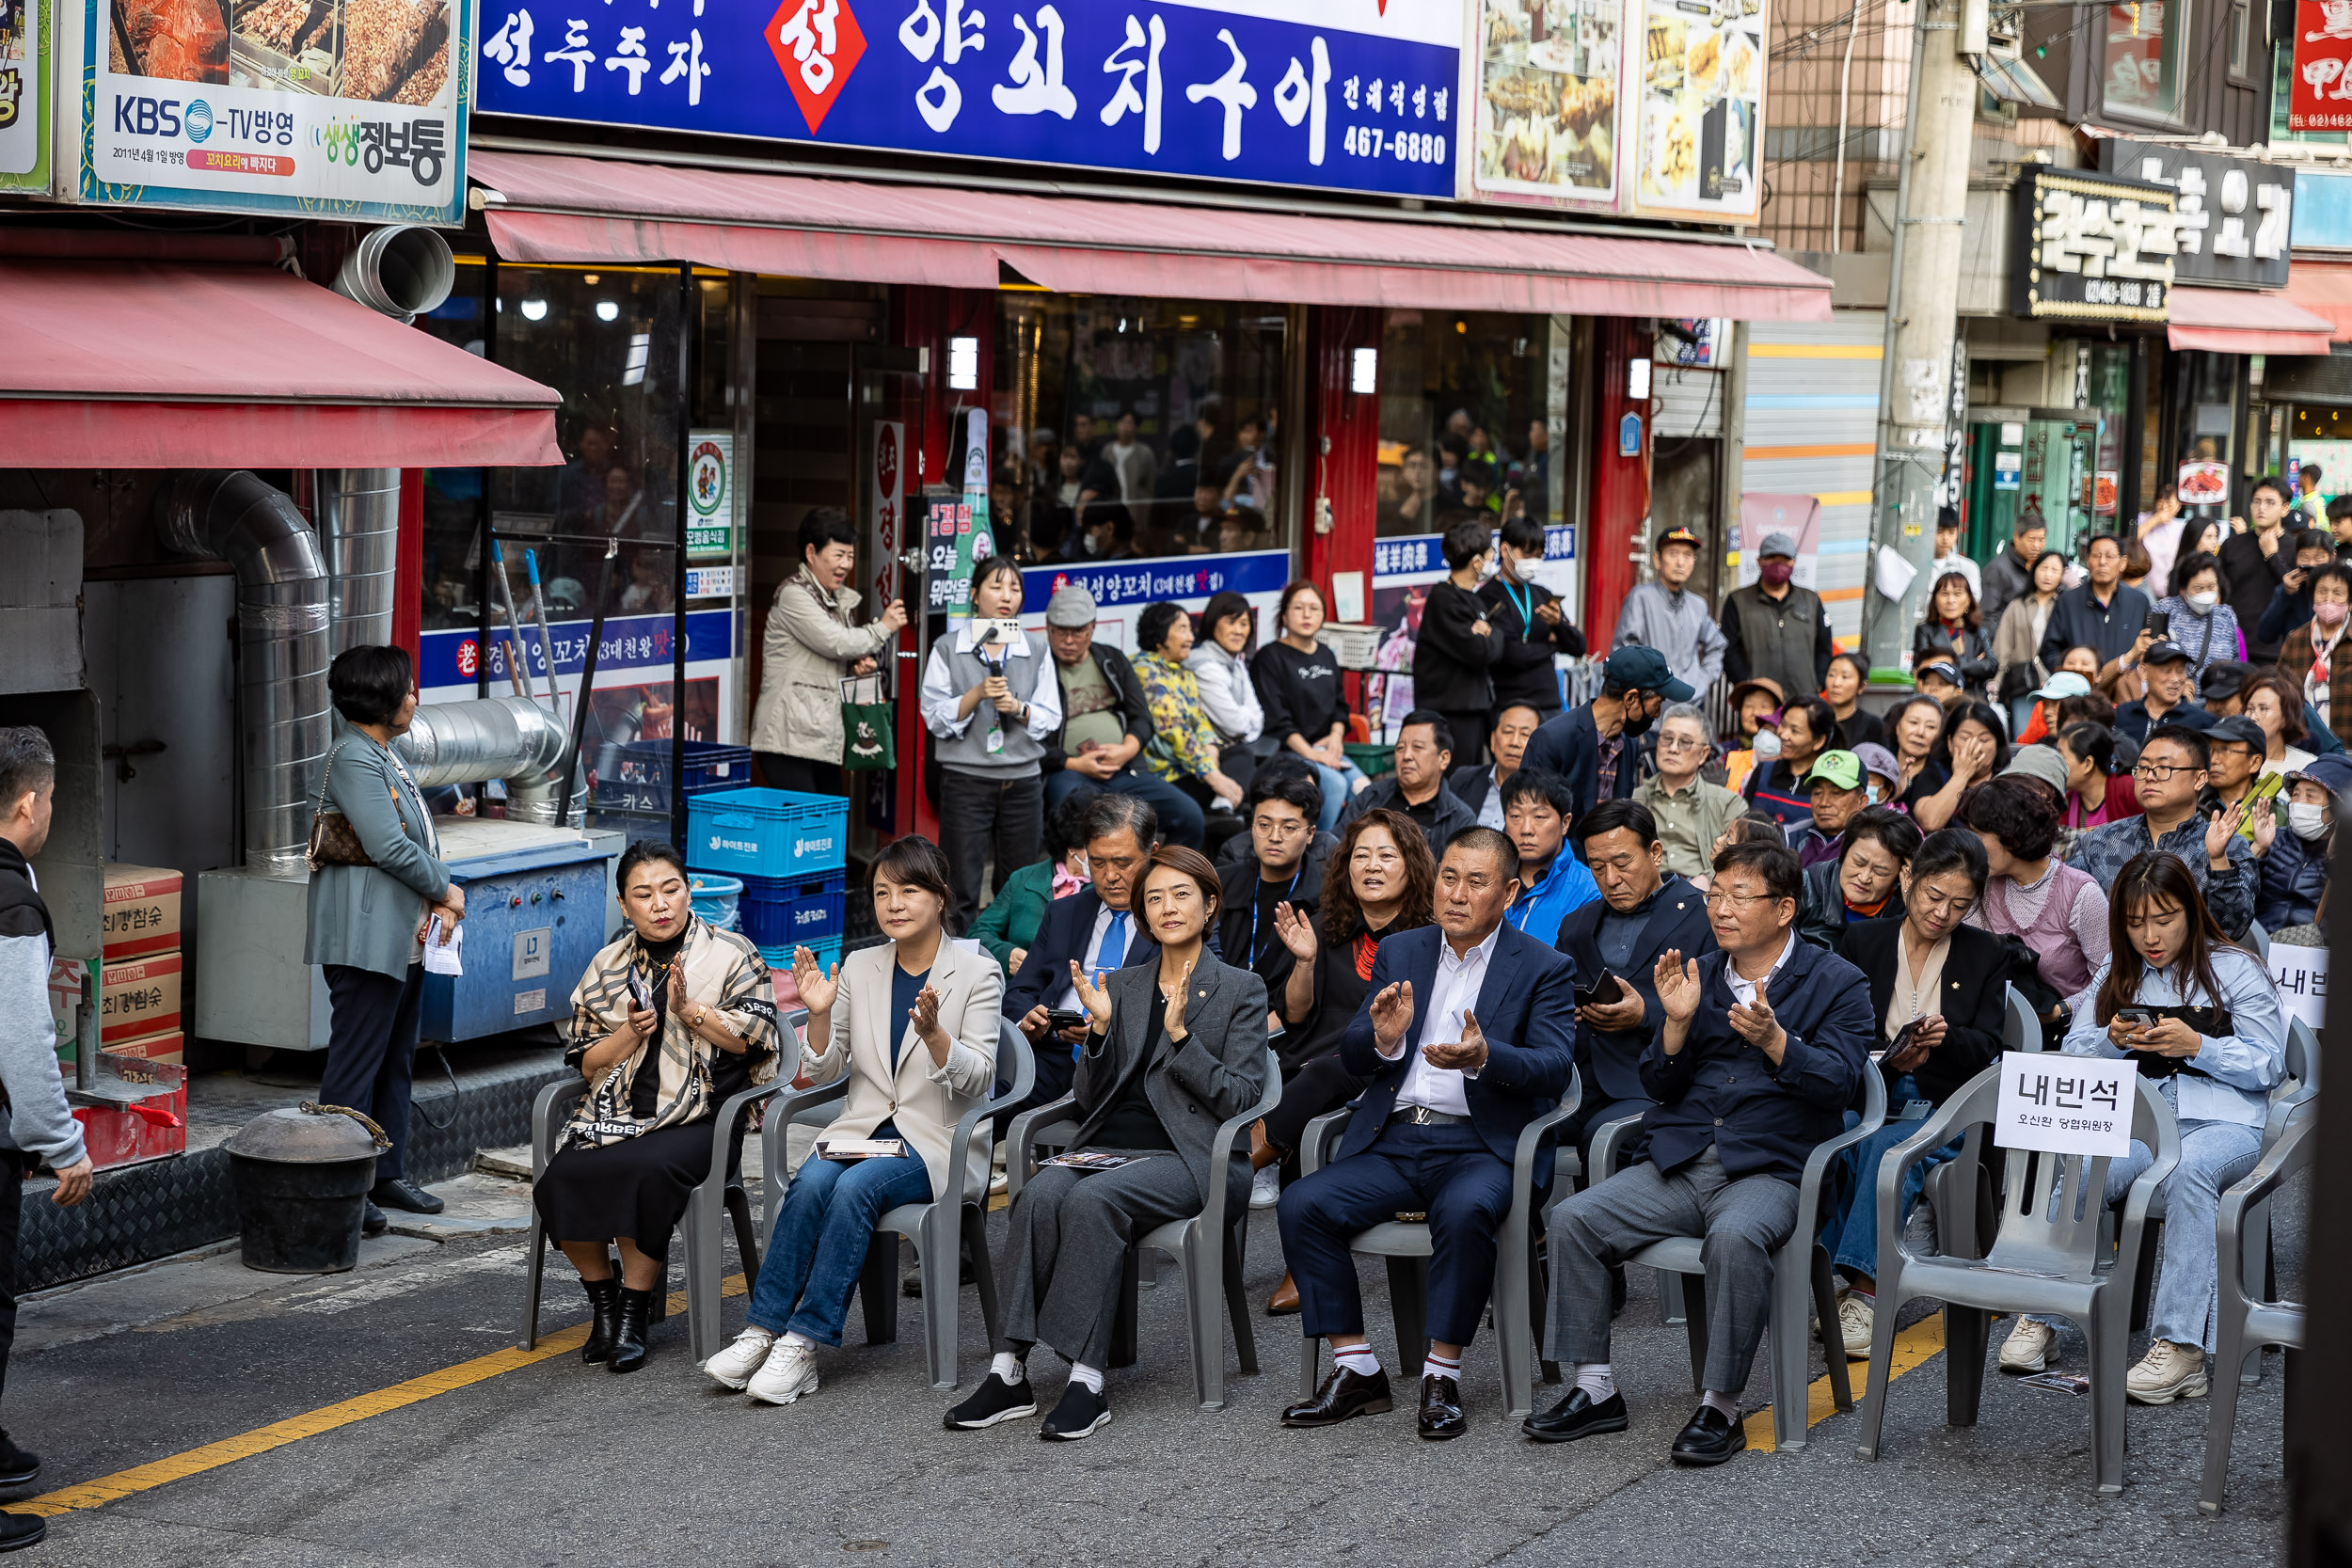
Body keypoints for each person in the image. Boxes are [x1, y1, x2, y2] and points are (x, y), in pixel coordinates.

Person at [1528, 838, 1872, 1463]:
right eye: (1715, 894)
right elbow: (1657, 1084)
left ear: (1785, 907)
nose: (1721, 908)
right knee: (1573, 1219)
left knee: (1736, 1237)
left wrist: (1776, 1041)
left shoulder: (1836, 980)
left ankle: (1721, 1404)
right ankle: (1595, 1387)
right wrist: (1675, 1025)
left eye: (1739, 896)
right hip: (1684, 1161)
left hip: (1772, 1168)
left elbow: (1842, 1084)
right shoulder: (1699, 972)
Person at [947, 847, 1268, 1440]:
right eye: (1154, 898)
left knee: (1094, 1201)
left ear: (1210, 902)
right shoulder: (1122, 984)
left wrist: (1180, 1039)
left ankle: (1086, 1381)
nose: (1167, 908)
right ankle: (1008, 1369)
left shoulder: (1239, 989)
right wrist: (1097, 1033)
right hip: (1113, 1145)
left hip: (1193, 1156)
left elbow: (1244, 1098)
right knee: (1041, 1193)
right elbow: (1092, 1098)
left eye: (1180, 894)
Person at [1279, 828, 1577, 1438]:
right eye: (1448, 877)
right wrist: (1384, 1037)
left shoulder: (1543, 965)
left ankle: (1442, 1373)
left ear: (1509, 891)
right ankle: (1357, 1367)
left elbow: (1554, 1063)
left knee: (1467, 1210)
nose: (1458, 894)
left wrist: (1486, 1056)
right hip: (1396, 1137)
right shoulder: (1403, 948)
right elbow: (1358, 1053)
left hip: (1481, 1145)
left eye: (1476, 881)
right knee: (1302, 1203)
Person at [703, 839, 996, 1403]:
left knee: (856, 1188)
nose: (894, 904)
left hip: (935, 1142)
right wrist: (816, 1015)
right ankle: (763, 1328)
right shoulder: (862, 965)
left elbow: (980, 1078)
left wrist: (936, 1035)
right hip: (863, 1130)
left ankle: (804, 1343)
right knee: (811, 1180)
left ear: (940, 898)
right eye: (882, 892)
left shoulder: (977, 972)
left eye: (909, 891)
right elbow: (826, 1065)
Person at [2000, 854, 2285, 1402]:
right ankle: (2042, 1316)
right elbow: (2077, 1050)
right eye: (2134, 923)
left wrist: (2199, 1046)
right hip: (2142, 1123)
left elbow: (2270, 1064)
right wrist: (2113, 1038)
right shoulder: (2118, 970)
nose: (2150, 936)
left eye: (2163, 919)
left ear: (2192, 912)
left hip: (2226, 1123)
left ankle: (2181, 1349)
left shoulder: (2235, 968)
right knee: (2084, 1166)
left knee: (2192, 1172)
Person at [534, 842, 780, 1373]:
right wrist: (628, 1032)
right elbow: (586, 1062)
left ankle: (632, 1311)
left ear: (689, 892)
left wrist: (692, 1012)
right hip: (619, 1112)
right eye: (643, 894)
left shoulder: (731, 953)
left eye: (671, 889)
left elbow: (755, 1042)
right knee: (560, 1178)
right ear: (625, 906)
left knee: (643, 1168)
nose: (660, 903)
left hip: (705, 1117)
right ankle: (603, 1302)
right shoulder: (609, 965)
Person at [1826, 828, 2008, 1357]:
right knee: (1835, 1138)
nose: (1943, 913)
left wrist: (1945, 1040)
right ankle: (1826, 1275)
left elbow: (1989, 1045)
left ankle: (1866, 1292)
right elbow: (1841, 1030)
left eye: (1959, 905)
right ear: (1909, 879)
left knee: (1887, 1150)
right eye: (1934, 897)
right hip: (1872, 1090)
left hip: (1942, 1102)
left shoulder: (1984, 952)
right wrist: (1887, 1057)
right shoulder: (1863, 941)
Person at [306, 645, 461, 1232]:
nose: (415, 698)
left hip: (402, 936)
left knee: (395, 1058)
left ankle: (386, 1173)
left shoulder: (382, 754)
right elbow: (387, 846)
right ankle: (343, 1181)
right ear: (383, 699)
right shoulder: (353, 758)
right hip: (365, 938)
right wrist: (446, 889)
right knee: (356, 1063)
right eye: (408, 688)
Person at [1256, 811, 1438, 1312]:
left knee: (1321, 1076)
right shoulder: (1322, 927)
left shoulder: (1430, 936)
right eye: (1361, 855)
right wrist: (1306, 962)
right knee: (1312, 1093)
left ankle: (1242, 1162)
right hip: (1313, 1062)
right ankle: (1304, 1260)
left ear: (1411, 867)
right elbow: (1294, 1015)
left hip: (1388, 1062)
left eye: (1386, 855)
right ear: (1344, 867)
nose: (1371, 867)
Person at [0, 729, 94, 1546]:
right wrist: (61, 1141)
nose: (51, 813)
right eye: (53, 799)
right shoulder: (12, 905)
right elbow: (26, 1040)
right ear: (27, 802)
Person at [1554, 800, 1714, 1164]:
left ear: (1654, 852)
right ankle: (1528, 1224)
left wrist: (1647, 1014)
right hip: (1577, 1081)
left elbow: (1719, 1008)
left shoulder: (1702, 916)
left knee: (1603, 1137)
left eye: (1622, 864)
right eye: (1597, 867)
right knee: (1506, 1121)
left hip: (1657, 1082)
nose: (1610, 879)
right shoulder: (1577, 924)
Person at [999, 794, 1166, 1134]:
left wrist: (1107, 1032)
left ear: (1153, 853)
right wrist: (1027, 1020)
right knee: (977, 1112)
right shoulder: (1065, 912)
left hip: (1129, 1068)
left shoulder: (1173, 918)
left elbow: (1189, 1004)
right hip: (1054, 1055)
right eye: (1098, 862)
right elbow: (1022, 988)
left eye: (1123, 862)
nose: (1110, 876)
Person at [919, 556, 1060, 933]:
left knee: (1018, 886)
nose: (1006, 596)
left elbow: (1050, 716)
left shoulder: (1035, 648)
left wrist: (1017, 707)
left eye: (1014, 588)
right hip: (967, 779)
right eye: (996, 586)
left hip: (1024, 781)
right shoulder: (948, 647)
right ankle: (956, 969)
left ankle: (1011, 968)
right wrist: (977, 694)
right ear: (974, 595)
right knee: (959, 884)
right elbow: (932, 715)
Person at [752, 508, 905, 796]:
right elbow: (836, 642)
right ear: (811, 553)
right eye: (838, 555)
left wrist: (855, 667)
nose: (846, 564)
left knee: (827, 829)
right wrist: (882, 628)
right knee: (805, 828)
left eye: (850, 556)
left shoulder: (836, 601)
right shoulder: (793, 594)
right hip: (789, 737)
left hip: (820, 737)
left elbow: (831, 656)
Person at [1039, 585, 1205, 850]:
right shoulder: (1038, 665)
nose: (1068, 641)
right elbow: (1029, 740)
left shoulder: (1110, 659)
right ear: (1048, 627)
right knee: (1072, 822)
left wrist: (1127, 749)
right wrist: (1074, 763)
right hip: (1068, 771)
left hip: (1124, 767)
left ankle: (1165, 881)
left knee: (1189, 816)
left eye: (1078, 632)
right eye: (1060, 632)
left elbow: (1141, 717)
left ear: (1092, 628)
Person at [2067, 726, 2256, 940]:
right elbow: (2064, 909)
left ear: (2199, 779)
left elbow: (2232, 928)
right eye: (2144, 768)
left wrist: (2218, 860)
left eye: (2164, 768)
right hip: (2115, 967)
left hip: (2193, 969)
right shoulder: (2101, 840)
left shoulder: (2229, 845)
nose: (2150, 777)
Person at [1963, 776, 2109, 1022]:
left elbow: (2110, 978)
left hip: (2066, 1036)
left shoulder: (2080, 893)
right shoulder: (1983, 884)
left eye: (1978, 834)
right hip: (1995, 1029)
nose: (1972, 844)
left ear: (2010, 835)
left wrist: (2059, 1011)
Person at [1521, 645, 1694, 828]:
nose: (1657, 714)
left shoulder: (1628, 743)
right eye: (1657, 704)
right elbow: (1530, 820)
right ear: (1631, 699)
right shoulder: (1552, 739)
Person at [1253, 580, 1368, 833]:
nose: (1307, 614)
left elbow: (1341, 706)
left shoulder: (1326, 654)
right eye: (1298, 608)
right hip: (1287, 752)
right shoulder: (1270, 657)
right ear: (1284, 615)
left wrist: (1337, 737)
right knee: (1336, 785)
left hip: (1326, 750)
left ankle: (1341, 848)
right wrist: (1311, 753)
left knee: (1365, 789)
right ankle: (1317, 850)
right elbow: (1276, 719)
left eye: (1314, 608)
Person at [1217, 768, 1327, 1031]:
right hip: (1215, 1018)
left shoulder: (1326, 897)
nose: (1274, 837)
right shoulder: (1219, 884)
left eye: (1289, 827)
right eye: (1264, 825)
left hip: (1282, 1032)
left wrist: (1249, 1034)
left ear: (1311, 833)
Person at [1133, 603, 1248, 839]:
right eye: (1182, 629)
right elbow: (1175, 730)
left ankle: (1221, 811)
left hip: (1192, 766)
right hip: (1166, 772)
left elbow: (1199, 720)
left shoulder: (1182, 671)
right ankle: (1220, 814)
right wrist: (1212, 775)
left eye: (1190, 630)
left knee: (1243, 756)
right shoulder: (1145, 670)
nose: (1190, 637)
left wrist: (1210, 750)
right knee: (1242, 791)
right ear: (1160, 634)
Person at [1412, 517, 1507, 770]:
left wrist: (1491, 634)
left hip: (1474, 707)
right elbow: (1480, 652)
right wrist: (1490, 637)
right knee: (1458, 781)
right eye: (1490, 554)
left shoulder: (1473, 599)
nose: (1492, 559)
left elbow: (1496, 643)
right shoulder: (1444, 599)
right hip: (1450, 712)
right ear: (1477, 562)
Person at [971, 793, 1091, 976]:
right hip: (1020, 990)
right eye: (1093, 846)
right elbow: (977, 933)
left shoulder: (1107, 888)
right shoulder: (1024, 879)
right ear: (1071, 848)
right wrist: (1006, 954)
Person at [1484, 515, 1588, 722]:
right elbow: (1512, 654)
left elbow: (1578, 646)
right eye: (1528, 554)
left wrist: (1558, 626)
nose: (1534, 562)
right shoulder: (1489, 596)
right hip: (1511, 707)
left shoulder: (1542, 593)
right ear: (1505, 550)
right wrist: (1552, 646)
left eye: (1539, 556)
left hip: (1550, 705)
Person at [1635, 704, 1749, 880]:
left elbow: (1743, 861)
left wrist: (1708, 879)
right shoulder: (1637, 799)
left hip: (1702, 896)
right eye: (1667, 738)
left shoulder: (1728, 804)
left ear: (1703, 754)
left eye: (1685, 742)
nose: (1673, 748)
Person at [1339, 711, 1478, 855]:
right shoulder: (1371, 797)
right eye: (1400, 748)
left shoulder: (1460, 819)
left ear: (1443, 759)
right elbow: (1338, 847)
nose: (1406, 756)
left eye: (1417, 747)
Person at [1613, 526, 1727, 695]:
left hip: (1689, 703)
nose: (1680, 562)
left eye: (1687, 555)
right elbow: (1623, 652)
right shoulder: (1641, 597)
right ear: (1658, 560)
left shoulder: (1698, 605)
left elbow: (1716, 646)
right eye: (1673, 554)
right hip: (1649, 704)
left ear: (1694, 561)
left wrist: (1703, 680)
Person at [1722, 531, 1836, 699]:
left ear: (1794, 562)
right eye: (1771, 558)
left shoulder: (1811, 600)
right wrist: (1744, 683)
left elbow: (1824, 646)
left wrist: (1818, 682)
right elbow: (1727, 649)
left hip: (1803, 698)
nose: (1778, 564)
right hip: (1759, 700)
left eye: (1784, 559)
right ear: (1759, 562)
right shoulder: (1738, 601)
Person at [2039, 534, 2153, 693]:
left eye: (2110, 556)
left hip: (2125, 695)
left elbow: (2150, 649)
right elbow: (2050, 649)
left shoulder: (2139, 602)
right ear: (2088, 560)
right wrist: (2069, 677)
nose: (2102, 562)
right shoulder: (2068, 601)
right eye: (2096, 555)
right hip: (2078, 694)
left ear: (2123, 563)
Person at [1796, 807, 1918, 950]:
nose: (1864, 877)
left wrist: (1913, 911)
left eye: (1880, 872)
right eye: (1858, 862)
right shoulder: (1806, 886)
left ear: (1901, 874)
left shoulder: (1904, 909)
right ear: (1844, 852)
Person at [1501, 771, 1602, 942]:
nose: (1526, 829)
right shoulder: (1491, 878)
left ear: (1565, 823)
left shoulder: (1589, 890)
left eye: (1539, 817)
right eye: (1515, 816)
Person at [2257, 754, 2352, 930]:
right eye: (2295, 794)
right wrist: (2257, 850)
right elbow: (2234, 903)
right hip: (2262, 948)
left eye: (2310, 796)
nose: (2299, 803)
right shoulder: (2272, 839)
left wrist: (2335, 861)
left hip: (2318, 952)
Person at [1186, 590, 1266, 789]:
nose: (1238, 631)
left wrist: (1244, 724)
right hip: (1209, 756)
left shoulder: (1235, 662)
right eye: (1231, 622)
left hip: (1237, 749)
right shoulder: (1204, 665)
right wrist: (1246, 723)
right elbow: (1236, 726)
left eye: (1244, 624)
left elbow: (1258, 715)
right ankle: (1223, 812)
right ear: (1213, 623)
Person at [2218, 479, 2297, 662]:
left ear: (2285, 509)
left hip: (2275, 650)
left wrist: (2272, 556)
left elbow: (2294, 591)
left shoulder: (2295, 548)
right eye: (2256, 501)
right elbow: (2218, 592)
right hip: (2232, 645)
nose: (2261, 508)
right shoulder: (2232, 545)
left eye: (2270, 502)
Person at [1993, 550, 2071, 736]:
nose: (2048, 575)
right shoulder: (2017, 605)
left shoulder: (2065, 605)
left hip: (2056, 683)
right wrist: (1996, 680)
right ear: (2034, 570)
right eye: (2043, 568)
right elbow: (2002, 646)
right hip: (2023, 683)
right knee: (2023, 734)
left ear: (2062, 574)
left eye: (2054, 570)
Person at [2277, 562, 2352, 752]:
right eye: (2322, 591)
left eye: (2338, 593)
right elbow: (2281, 690)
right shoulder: (2296, 639)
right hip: (2303, 749)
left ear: (2350, 602)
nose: (2329, 599)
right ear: (2313, 597)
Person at [1909, 700, 2009, 832]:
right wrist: (1961, 775)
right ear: (1950, 743)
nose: (1975, 747)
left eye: (1984, 740)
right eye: (1965, 738)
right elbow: (1929, 822)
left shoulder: (2006, 782)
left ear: (1997, 745)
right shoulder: (1934, 773)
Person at [1744, 696, 1834, 827]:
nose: (1783, 735)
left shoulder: (1826, 782)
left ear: (1819, 741)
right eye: (1783, 724)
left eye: (1795, 731)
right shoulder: (1763, 771)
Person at [2153, 551, 2241, 684]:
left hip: (2215, 700)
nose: (2206, 593)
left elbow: (2236, 661)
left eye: (2211, 587)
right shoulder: (2164, 610)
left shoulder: (2226, 615)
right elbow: (2150, 657)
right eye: (2199, 588)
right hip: (2176, 699)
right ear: (2183, 589)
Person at [1451, 705, 1542, 831]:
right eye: (1508, 732)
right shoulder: (1463, 779)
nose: (1514, 742)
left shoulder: (1544, 794)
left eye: (1525, 734)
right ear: (1493, 740)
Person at [2251, 529, 2338, 652]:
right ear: (2296, 557)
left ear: (2332, 557)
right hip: (2295, 664)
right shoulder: (2286, 590)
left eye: (2318, 558)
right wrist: (2286, 593)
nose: (2311, 564)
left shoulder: (2343, 591)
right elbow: (2265, 635)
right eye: (2304, 557)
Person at [1914, 572, 1997, 697]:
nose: (1950, 600)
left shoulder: (1979, 632)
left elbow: (1991, 666)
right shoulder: (1925, 631)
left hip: (1973, 698)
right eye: (1944, 594)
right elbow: (1924, 667)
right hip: (1939, 698)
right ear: (1935, 600)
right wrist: (1973, 665)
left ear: (1968, 600)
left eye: (1957, 594)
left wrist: (1948, 664)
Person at [2112, 641, 2211, 746]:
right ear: (2144, 672)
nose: (2175, 679)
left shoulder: (2203, 723)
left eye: (2180, 671)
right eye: (2166, 671)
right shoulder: (2120, 716)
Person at [2054, 721, 2140, 841]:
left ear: (2088, 764)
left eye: (2061, 757)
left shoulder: (2130, 789)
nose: (2055, 764)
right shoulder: (2066, 803)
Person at [1788, 749, 1870, 868]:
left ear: (1861, 801)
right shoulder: (1791, 837)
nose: (1824, 802)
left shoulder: (1871, 844)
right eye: (1817, 792)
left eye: (1836, 793)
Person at [1981, 515, 2052, 636]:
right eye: (2032, 539)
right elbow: (1988, 616)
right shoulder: (1997, 569)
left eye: (2041, 540)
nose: (2036, 546)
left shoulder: (2044, 568)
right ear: (2016, 537)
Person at [2242, 671, 2320, 780]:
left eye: (2264, 709)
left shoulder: (2307, 767)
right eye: (2250, 708)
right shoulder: (2229, 758)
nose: (2253, 717)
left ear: (2286, 718)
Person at [1723, 676, 1787, 798]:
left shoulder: (1787, 757)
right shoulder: (1725, 752)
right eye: (1748, 706)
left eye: (1765, 706)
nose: (1755, 712)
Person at [1883, 694, 1947, 809]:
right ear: (1898, 727)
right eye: (1913, 722)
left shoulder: (1943, 775)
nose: (1920, 732)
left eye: (1931, 727)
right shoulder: (1878, 762)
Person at [1820, 652, 1884, 752]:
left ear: (1862, 686)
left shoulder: (1873, 726)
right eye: (1831, 675)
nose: (1836, 683)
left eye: (1845, 676)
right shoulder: (1816, 719)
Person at [2138, 483, 2187, 599]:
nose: (2164, 507)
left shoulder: (2181, 527)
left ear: (2178, 506)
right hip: (2144, 588)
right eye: (2161, 502)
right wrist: (2154, 520)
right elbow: (2131, 540)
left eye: (2169, 504)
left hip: (2170, 591)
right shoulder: (2142, 518)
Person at [1926, 509, 1983, 606]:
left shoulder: (1968, 567)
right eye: (1940, 532)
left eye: (1951, 532)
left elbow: (1972, 602)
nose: (1945, 538)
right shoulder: (1916, 566)